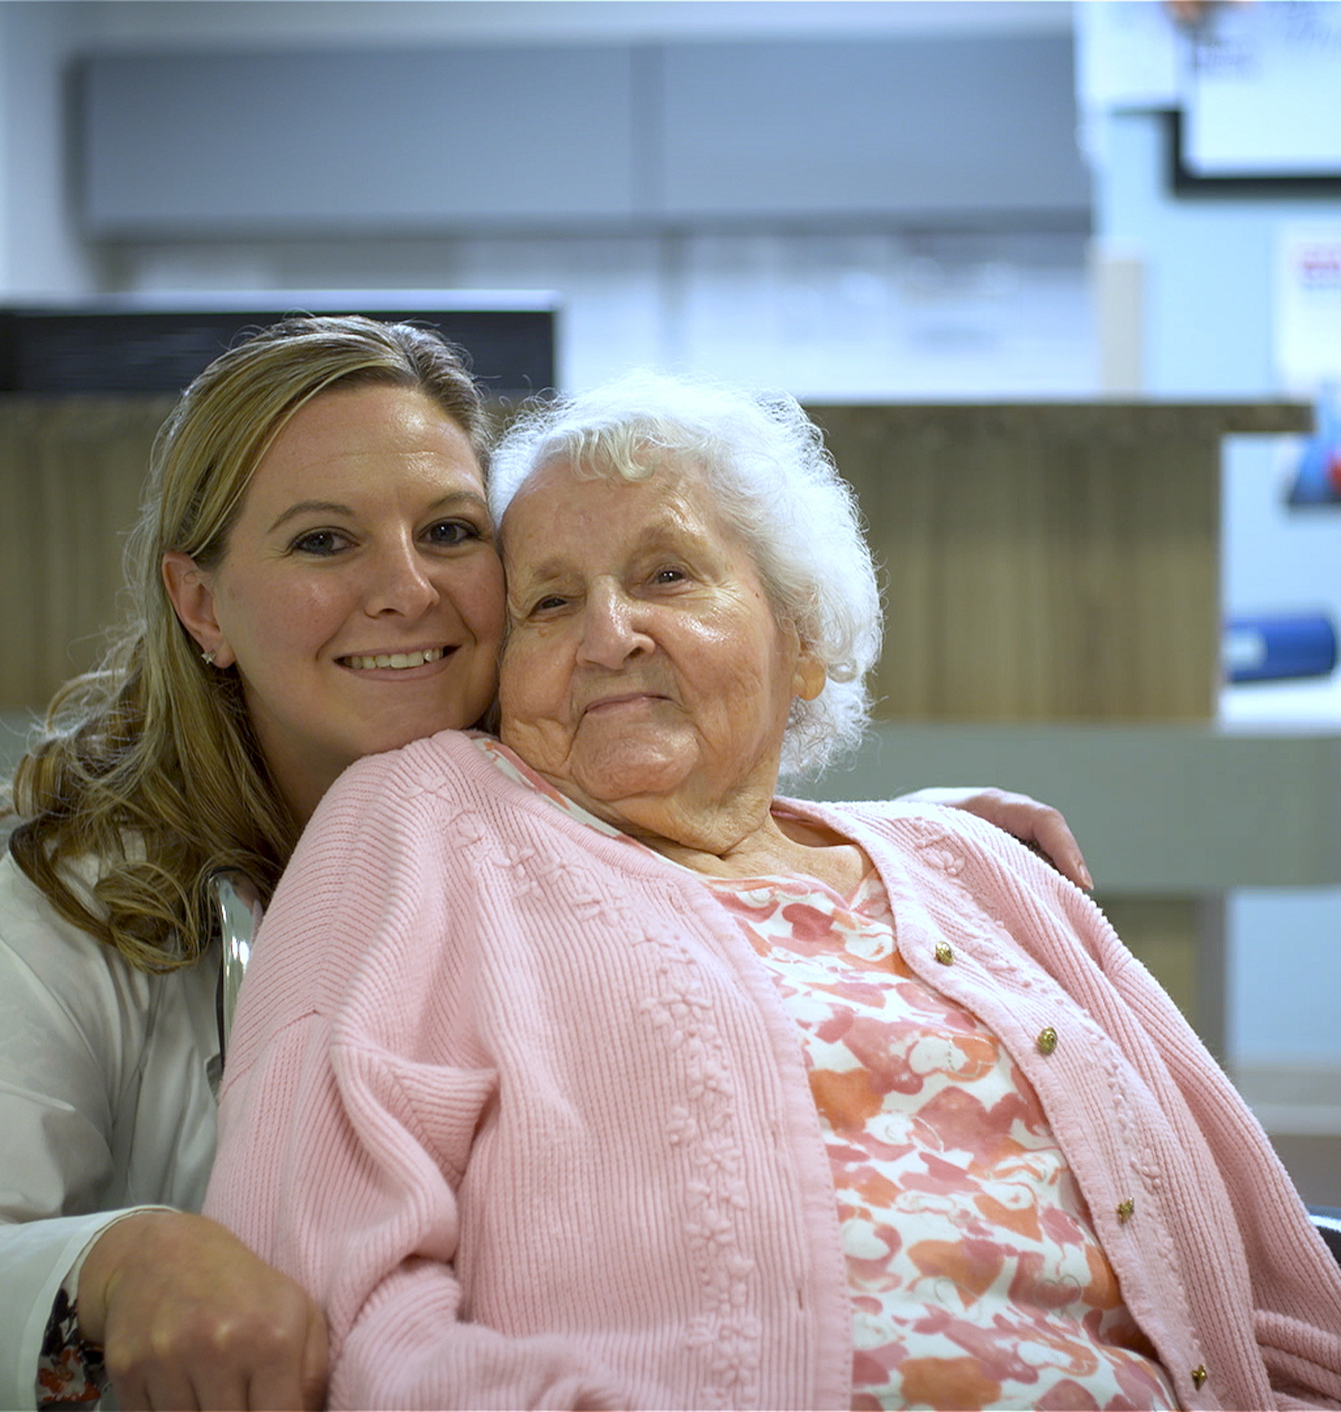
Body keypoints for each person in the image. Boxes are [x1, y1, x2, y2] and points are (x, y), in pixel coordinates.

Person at [0, 317, 1086, 1412]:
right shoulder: (102, 892)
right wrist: (119, 1259)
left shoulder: (569, 796)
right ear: (202, 605)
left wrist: (895, 847)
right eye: (323, 540)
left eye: (451, 531)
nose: (406, 589)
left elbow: (709, 817)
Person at [204, 370, 1341, 1411]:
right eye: (549, 602)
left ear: (800, 642)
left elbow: (1281, 1299)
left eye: (666, 574)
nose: (607, 634)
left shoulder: (978, 868)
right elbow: (329, 1288)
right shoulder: (428, 825)